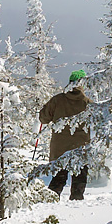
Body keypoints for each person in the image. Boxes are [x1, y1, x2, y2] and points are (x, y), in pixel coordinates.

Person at [38, 70, 91, 200]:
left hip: (59, 147)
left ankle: (50, 201)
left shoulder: (57, 100)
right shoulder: (88, 103)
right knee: (80, 177)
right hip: (81, 147)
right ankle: (76, 203)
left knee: (58, 177)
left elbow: (43, 119)